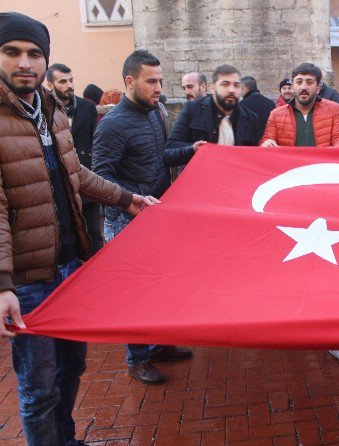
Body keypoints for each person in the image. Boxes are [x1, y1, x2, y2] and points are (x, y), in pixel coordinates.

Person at [0, 12, 159, 446]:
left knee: (73, 369)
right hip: (30, 280)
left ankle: (65, 440)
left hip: (71, 266)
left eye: (34, 53)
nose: (25, 63)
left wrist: (128, 198)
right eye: (11, 52)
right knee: (38, 387)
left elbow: (78, 176)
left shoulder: (50, 110)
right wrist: (3, 284)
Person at [93, 50, 195, 385]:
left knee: (162, 285)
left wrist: (191, 151)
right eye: (152, 81)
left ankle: (159, 344)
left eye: (161, 81)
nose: (158, 87)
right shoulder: (111, 125)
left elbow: (157, 157)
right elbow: (100, 178)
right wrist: (130, 200)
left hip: (157, 216)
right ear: (129, 81)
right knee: (134, 292)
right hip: (125, 222)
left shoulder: (155, 113)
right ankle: (137, 359)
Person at [46, 63, 104, 255]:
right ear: (50, 85)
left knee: (95, 237)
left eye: (71, 80)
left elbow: (93, 142)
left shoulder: (87, 108)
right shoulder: (44, 112)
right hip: (59, 188)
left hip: (86, 184)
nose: (69, 85)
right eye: (62, 81)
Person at [168, 65, 260, 159]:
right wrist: (192, 149)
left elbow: (253, 158)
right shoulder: (193, 109)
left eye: (236, 85)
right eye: (225, 84)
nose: (231, 90)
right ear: (213, 88)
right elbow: (170, 149)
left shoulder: (250, 118)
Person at [261, 63, 339, 147]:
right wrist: (266, 144)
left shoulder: (334, 110)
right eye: (299, 82)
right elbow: (266, 141)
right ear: (293, 86)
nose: (303, 87)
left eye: (309, 82)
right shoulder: (276, 115)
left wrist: (335, 150)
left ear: (318, 88)